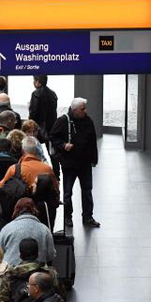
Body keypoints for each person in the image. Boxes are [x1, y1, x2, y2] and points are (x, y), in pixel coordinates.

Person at [49, 97, 99, 228]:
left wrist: (94, 159)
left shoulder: (88, 121)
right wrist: (63, 145)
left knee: (87, 190)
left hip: (85, 163)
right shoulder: (63, 121)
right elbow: (52, 137)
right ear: (74, 110)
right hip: (69, 164)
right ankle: (67, 217)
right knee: (67, 192)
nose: (85, 111)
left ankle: (88, 216)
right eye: (82, 109)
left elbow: (93, 141)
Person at [0, 198, 55, 267]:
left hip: (11, 272)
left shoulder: (7, 228)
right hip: (37, 273)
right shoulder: (45, 230)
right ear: (34, 209)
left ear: (16, 210)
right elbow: (51, 255)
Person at [28, 75, 59, 176]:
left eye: (34, 80)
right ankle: (56, 173)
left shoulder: (36, 94)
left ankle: (37, 171)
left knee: (34, 150)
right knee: (52, 152)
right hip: (52, 126)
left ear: (38, 81)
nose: (33, 82)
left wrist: (30, 123)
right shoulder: (53, 93)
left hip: (39, 127)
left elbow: (34, 112)